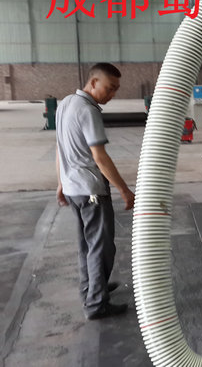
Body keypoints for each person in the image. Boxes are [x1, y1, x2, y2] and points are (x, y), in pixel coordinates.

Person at [55, 62, 135, 320]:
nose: (112, 94)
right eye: (109, 88)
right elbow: (99, 157)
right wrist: (124, 190)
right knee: (101, 247)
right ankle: (97, 304)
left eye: (116, 89)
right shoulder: (89, 111)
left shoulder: (65, 103)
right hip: (91, 190)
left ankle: (90, 289)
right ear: (93, 82)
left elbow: (60, 148)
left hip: (73, 189)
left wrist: (61, 183)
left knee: (86, 244)